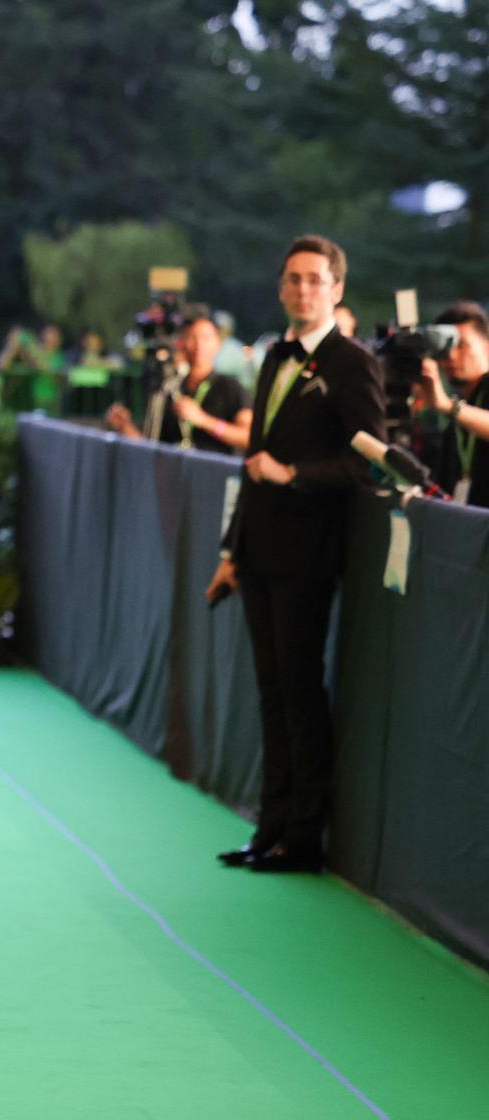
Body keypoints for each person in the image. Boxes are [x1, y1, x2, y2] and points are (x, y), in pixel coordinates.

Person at [207, 235, 382, 874]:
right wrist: (232, 549)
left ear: (337, 288)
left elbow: (368, 466)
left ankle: (303, 838)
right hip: (258, 551)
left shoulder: (354, 363)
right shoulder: (275, 354)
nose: (302, 289)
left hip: (309, 554)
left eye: (314, 279)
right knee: (272, 692)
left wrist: (294, 474)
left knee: (302, 693)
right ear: (281, 288)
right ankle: (270, 827)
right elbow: (251, 462)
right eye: (292, 278)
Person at [107, 309, 252, 451]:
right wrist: (125, 427)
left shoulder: (230, 388)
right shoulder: (169, 387)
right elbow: (151, 447)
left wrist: (204, 420)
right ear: (181, 342)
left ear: (217, 343)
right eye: (192, 337)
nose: (199, 345)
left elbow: (247, 438)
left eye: (206, 338)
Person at [413, 301, 489, 506]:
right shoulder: (458, 403)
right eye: (445, 347)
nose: (452, 355)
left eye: (462, 345)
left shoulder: (454, 405)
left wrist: (447, 405)